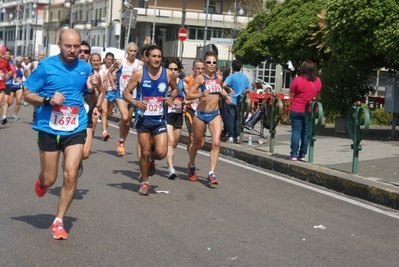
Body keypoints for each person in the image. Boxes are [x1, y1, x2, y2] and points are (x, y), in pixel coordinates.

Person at [23, 29, 99, 240]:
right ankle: (42, 182)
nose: (73, 50)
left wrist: (92, 91)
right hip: (48, 127)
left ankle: (58, 221)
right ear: (59, 44)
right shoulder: (46, 66)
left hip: (76, 126)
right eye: (68, 46)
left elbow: (91, 102)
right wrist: (47, 101)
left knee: (71, 174)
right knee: (50, 178)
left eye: (76, 47)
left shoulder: (85, 69)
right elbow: (27, 93)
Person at [123, 44, 178, 195]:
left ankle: (151, 162)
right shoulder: (140, 74)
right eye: (153, 56)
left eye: (159, 56)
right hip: (143, 118)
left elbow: (176, 89)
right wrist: (135, 102)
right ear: (148, 58)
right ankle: (145, 182)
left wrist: (171, 97)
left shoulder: (168, 74)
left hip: (160, 118)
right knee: (145, 151)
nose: (156, 59)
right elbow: (125, 92)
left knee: (160, 153)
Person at [185, 51, 232, 184]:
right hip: (200, 115)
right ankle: (192, 165)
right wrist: (200, 95)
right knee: (197, 144)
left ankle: (211, 173)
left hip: (215, 114)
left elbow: (219, 89)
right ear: (204, 64)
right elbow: (188, 95)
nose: (211, 65)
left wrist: (226, 95)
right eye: (208, 62)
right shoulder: (200, 78)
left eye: (214, 62)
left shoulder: (218, 77)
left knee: (216, 143)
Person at [108, 42, 144, 156]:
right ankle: (121, 139)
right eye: (130, 51)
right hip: (121, 94)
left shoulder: (140, 64)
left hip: (133, 96)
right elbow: (110, 72)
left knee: (128, 122)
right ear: (127, 51)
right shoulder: (120, 62)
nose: (132, 53)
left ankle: (122, 141)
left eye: (134, 51)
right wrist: (113, 84)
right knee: (124, 116)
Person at [289, 59, 322, 161]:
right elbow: (318, 92)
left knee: (296, 132)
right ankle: (302, 155)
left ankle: (293, 154)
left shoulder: (298, 80)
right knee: (306, 133)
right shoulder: (318, 81)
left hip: (297, 109)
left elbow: (291, 94)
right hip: (310, 110)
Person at [164, 57, 187, 179]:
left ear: (179, 71)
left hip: (178, 116)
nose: (173, 71)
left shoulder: (183, 84)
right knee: (170, 142)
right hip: (166, 116)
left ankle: (156, 156)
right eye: (170, 69)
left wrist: (182, 103)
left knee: (175, 143)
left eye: (175, 69)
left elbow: (190, 99)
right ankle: (171, 168)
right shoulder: (163, 83)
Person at [222, 59, 251, 143]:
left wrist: (229, 89)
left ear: (232, 67)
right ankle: (238, 136)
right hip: (241, 100)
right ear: (241, 67)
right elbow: (248, 89)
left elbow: (223, 85)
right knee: (239, 118)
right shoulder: (244, 77)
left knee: (231, 118)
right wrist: (244, 91)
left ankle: (231, 136)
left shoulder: (231, 76)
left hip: (231, 99)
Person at [183, 59, 204, 152]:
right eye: (198, 68)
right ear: (193, 69)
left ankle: (191, 144)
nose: (200, 71)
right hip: (190, 109)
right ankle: (191, 161)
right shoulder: (187, 80)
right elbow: (185, 95)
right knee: (193, 136)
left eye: (202, 69)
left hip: (201, 111)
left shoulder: (206, 80)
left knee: (201, 142)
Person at [100, 52, 115, 141]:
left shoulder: (115, 69)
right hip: (104, 92)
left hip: (112, 93)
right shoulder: (101, 67)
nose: (109, 61)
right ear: (105, 59)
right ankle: (104, 132)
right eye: (108, 59)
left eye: (110, 59)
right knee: (104, 112)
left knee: (109, 112)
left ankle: (106, 121)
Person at [9, 56, 29, 120]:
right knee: (10, 102)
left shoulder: (23, 68)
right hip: (11, 86)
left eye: (20, 62)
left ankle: (15, 115)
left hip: (19, 86)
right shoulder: (12, 67)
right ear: (15, 61)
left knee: (19, 101)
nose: (19, 63)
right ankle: (4, 111)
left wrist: (26, 72)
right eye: (18, 62)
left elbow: (26, 76)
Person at [30, 51, 46, 121]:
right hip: (36, 84)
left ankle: (40, 114)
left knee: (41, 98)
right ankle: (34, 112)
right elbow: (30, 70)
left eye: (42, 55)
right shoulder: (34, 63)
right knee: (35, 99)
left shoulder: (46, 63)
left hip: (43, 84)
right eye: (40, 55)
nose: (41, 56)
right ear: (37, 56)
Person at [1, 49, 15, 124]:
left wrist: (9, 74)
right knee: (1, 101)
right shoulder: (1, 61)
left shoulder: (12, 62)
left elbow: (13, 71)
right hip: (1, 83)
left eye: (8, 54)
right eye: (6, 53)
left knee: (6, 100)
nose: (7, 55)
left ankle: (4, 116)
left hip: (8, 83)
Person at [217, 66, 230, 141]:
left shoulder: (222, 80)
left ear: (221, 72)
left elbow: (222, 87)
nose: (216, 72)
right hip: (223, 99)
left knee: (225, 117)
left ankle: (225, 132)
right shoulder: (225, 79)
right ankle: (224, 132)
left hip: (223, 99)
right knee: (223, 117)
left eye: (218, 71)